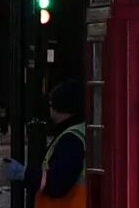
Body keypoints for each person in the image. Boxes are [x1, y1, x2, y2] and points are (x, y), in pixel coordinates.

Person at [36, 78, 90, 207]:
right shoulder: (80, 130)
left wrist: (25, 174)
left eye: (51, 104)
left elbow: (57, 184)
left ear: (61, 106)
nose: (49, 109)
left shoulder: (71, 139)